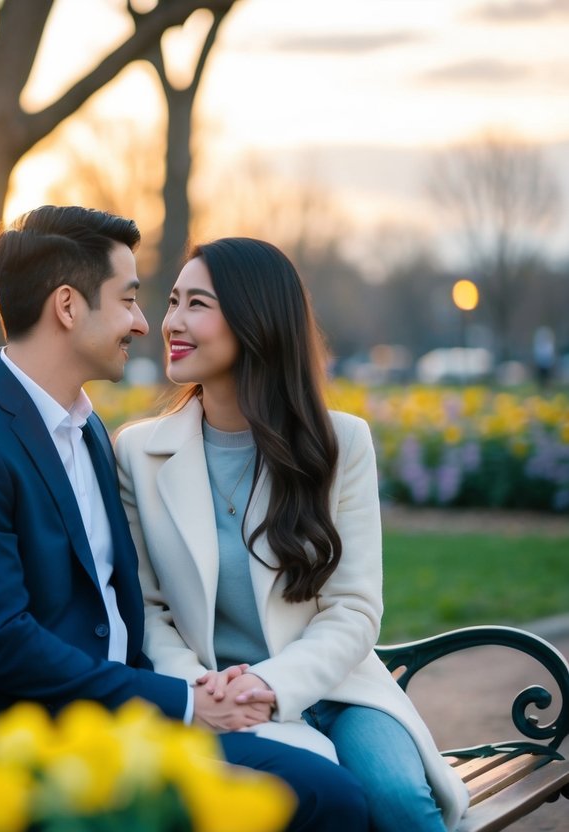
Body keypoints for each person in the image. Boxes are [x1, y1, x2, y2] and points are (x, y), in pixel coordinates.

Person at [0, 207, 367, 832]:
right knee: (321, 797)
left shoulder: (85, 428)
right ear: (67, 306)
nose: (145, 324)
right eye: (130, 299)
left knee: (328, 790)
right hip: (11, 738)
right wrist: (184, 702)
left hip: (113, 720)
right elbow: (1, 642)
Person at [114, 237, 469, 831]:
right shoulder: (140, 452)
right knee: (318, 799)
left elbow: (354, 608)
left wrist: (270, 683)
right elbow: (148, 611)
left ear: (255, 322)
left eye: (196, 304)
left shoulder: (339, 444)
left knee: (399, 804)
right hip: (219, 699)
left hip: (338, 690)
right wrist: (204, 694)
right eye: (173, 302)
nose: (171, 322)